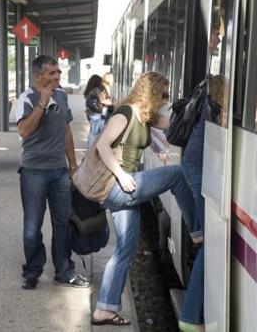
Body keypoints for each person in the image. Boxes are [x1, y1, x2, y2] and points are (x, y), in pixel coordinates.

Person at [91, 72, 198, 326]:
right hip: (119, 186)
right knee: (176, 175)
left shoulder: (145, 116)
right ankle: (198, 231)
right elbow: (102, 146)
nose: (165, 100)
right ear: (151, 94)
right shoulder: (125, 113)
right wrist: (121, 175)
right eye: (163, 95)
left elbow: (175, 124)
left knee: (125, 249)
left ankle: (103, 310)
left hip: (125, 187)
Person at [15, 55, 88, 290]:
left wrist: (73, 165)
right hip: (34, 172)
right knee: (32, 228)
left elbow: (66, 131)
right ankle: (33, 270)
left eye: (58, 72)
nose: (58, 76)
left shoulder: (63, 95)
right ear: (38, 76)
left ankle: (64, 270)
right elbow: (24, 131)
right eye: (52, 73)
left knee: (63, 222)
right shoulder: (26, 98)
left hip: (59, 172)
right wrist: (42, 102)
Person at [177, 75, 224, 332]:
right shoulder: (215, 105)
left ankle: (197, 231)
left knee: (207, 239)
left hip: (196, 164)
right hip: (199, 166)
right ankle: (190, 316)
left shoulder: (208, 99)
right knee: (211, 244)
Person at [84, 74, 113, 147]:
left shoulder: (91, 90)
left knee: (93, 132)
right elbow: (103, 101)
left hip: (91, 113)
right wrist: (112, 103)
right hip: (96, 114)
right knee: (94, 133)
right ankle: (90, 151)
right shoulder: (97, 90)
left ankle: (90, 150)